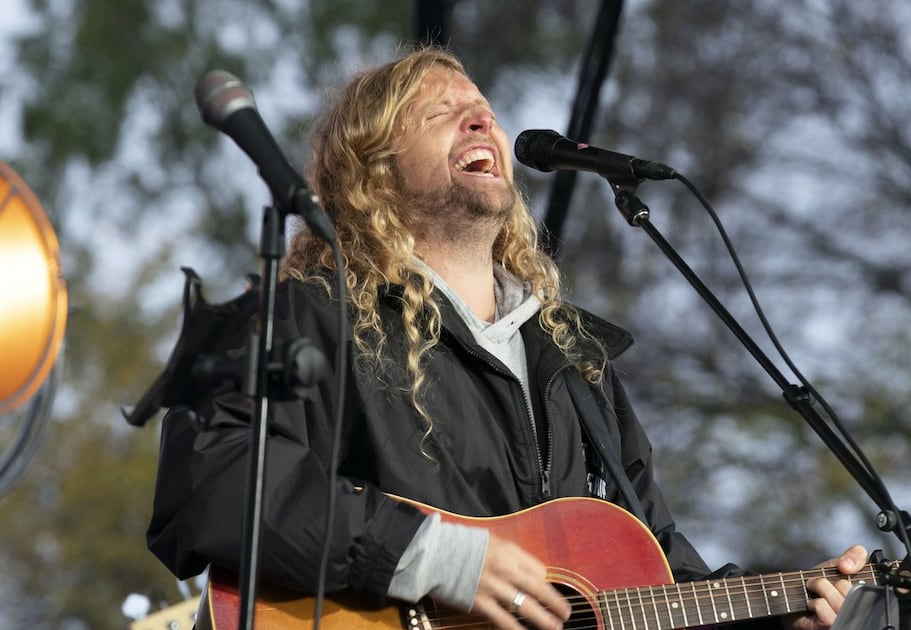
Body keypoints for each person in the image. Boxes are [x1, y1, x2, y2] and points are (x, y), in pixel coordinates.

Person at [146, 45, 867, 630]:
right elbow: (210, 478)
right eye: (439, 113)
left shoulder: (575, 363)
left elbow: (654, 575)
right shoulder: (311, 314)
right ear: (374, 172)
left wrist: (775, 618)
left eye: (484, 113)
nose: (479, 122)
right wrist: (432, 558)